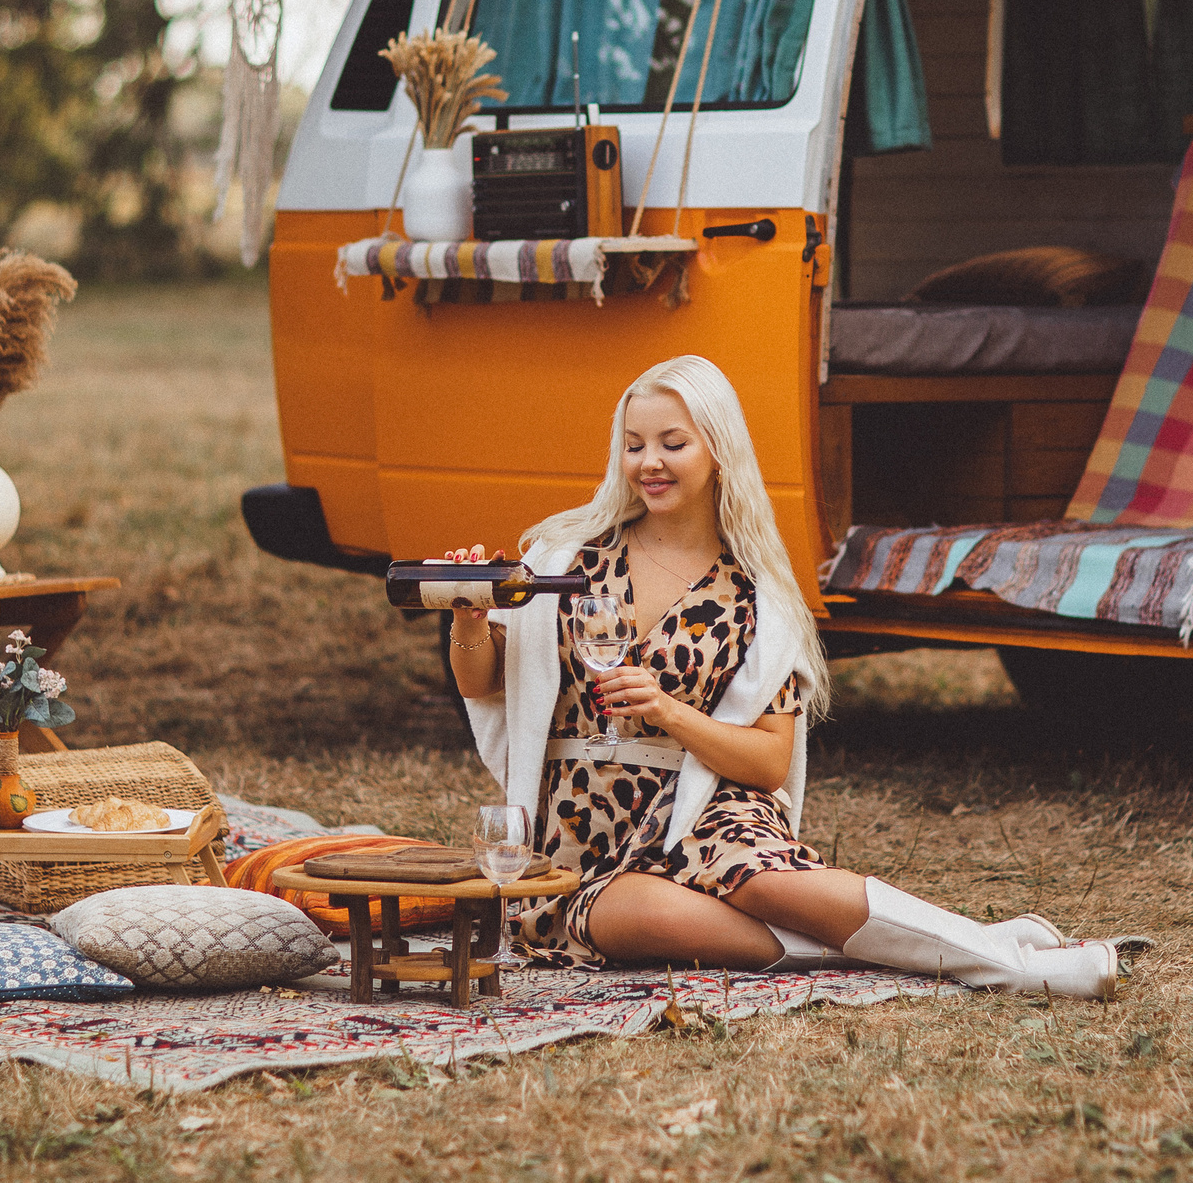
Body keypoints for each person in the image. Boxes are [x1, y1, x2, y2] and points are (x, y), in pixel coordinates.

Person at [444, 353, 1123, 999]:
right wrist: (468, 615)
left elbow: (769, 762)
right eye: (634, 443)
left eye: (672, 443)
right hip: (580, 837)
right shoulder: (563, 561)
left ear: (717, 451)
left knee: (774, 885)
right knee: (637, 919)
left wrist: (670, 712)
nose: (648, 461)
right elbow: (482, 683)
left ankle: (1012, 969)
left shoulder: (757, 597)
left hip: (706, 805)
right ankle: (973, 942)